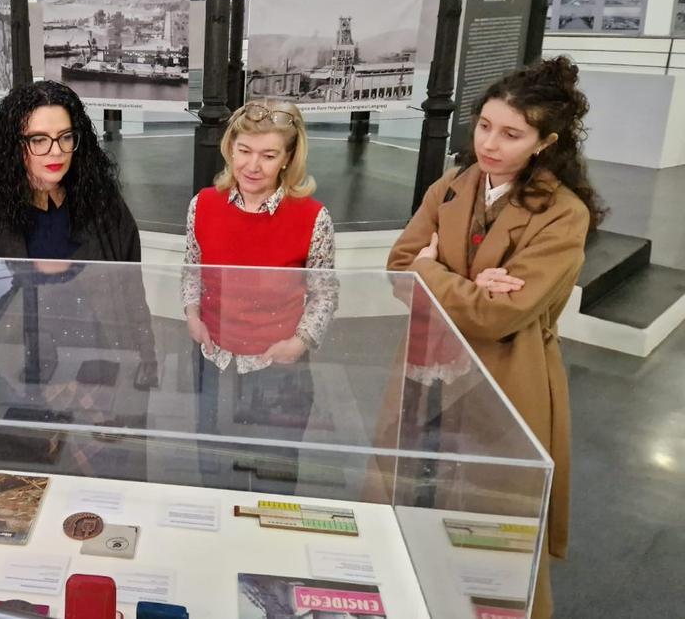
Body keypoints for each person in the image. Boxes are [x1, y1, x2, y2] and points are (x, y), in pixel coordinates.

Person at [387, 56, 605, 619]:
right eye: (484, 125)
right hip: (426, 369)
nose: (490, 142)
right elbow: (398, 267)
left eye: (512, 134)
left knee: (492, 517)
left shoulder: (563, 214)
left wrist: (436, 273)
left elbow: (496, 318)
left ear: (545, 141)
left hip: (505, 378)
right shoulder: (452, 186)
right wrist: (466, 285)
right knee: (410, 493)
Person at [181, 99, 337, 490]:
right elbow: (192, 268)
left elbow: (324, 294)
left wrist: (299, 344)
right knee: (213, 461)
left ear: (287, 158)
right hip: (214, 358)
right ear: (230, 148)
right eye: (244, 151)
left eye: (268, 155)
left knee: (275, 468)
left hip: (278, 366)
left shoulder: (314, 217)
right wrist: (191, 313)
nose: (252, 166)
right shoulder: (202, 205)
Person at [0, 80, 140, 261]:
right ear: (13, 146)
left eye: (66, 137)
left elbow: (131, 290)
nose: (57, 151)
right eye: (39, 140)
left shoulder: (104, 204)